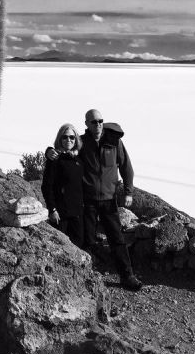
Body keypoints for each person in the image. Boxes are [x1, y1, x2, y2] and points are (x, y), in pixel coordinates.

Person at [47, 109, 142, 291]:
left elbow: (126, 167)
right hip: (88, 200)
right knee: (87, 240)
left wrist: (128, 192)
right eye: (93, 122)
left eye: (100, 121)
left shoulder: (114, 142)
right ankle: (88, 279)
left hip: (109, 199)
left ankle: (127, 276)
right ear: (87, 124)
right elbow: (66, 151)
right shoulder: (83, 143)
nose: (97, 124)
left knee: (117, 239)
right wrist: (49, 151)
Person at [41, 123, 84, 247]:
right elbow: (46, 186)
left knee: (78, 247)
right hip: (60, 215)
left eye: (72, 137)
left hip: (78, 214)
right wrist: (52, 209)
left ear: (76, 139)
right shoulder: (54, 159)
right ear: (59, 139)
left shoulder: (78, 160)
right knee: (60, 248)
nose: (68, 140)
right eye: (64, 137)